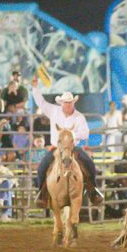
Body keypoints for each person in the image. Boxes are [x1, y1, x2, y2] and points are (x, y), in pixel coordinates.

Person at [31, 76, 104, 207]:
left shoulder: (79, 117)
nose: (67, 104)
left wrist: (71, 135)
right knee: (42, 168)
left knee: (89, 164)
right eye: (65, 102)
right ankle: (41, 194)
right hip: (56, 148)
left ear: (73, 103)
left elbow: (85, 133)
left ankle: (94, 191)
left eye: (69, 102)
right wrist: (35, 88)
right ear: (61, 103)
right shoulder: (54, 111)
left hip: (72, 148)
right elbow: (41, 102)